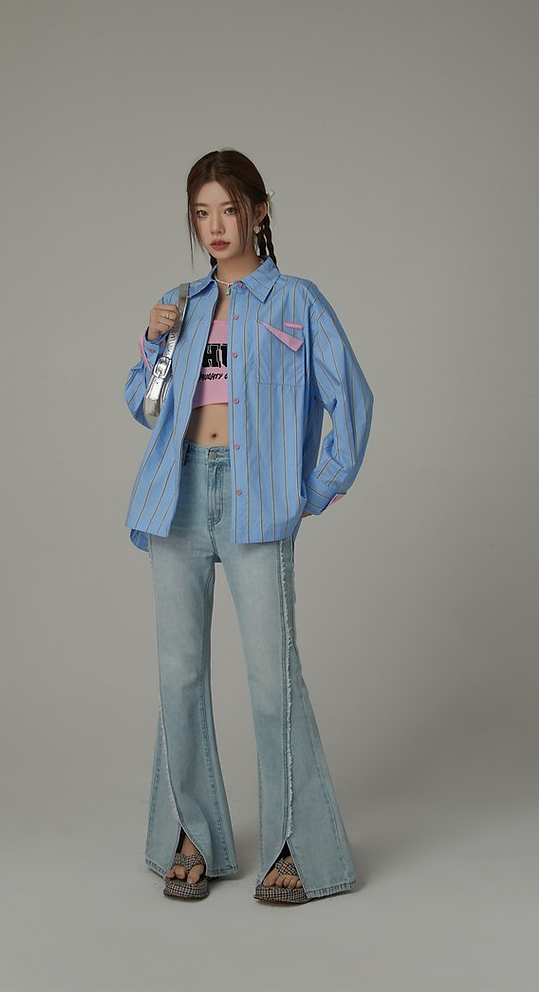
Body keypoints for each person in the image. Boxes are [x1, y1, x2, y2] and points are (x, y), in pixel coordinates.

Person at [124, 149, 373, 904]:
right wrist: (153, 344)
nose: (216, 226)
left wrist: (312, 489)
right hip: (178, 497)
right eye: (202, 213)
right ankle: (190, 835)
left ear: (258, 211)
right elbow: (145, 407)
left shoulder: (296, 301)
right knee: (180, 675)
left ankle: (297, 846)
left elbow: (353, 399)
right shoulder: (180, 304)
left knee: (272, 680)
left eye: (228, 209)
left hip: (256, 500)